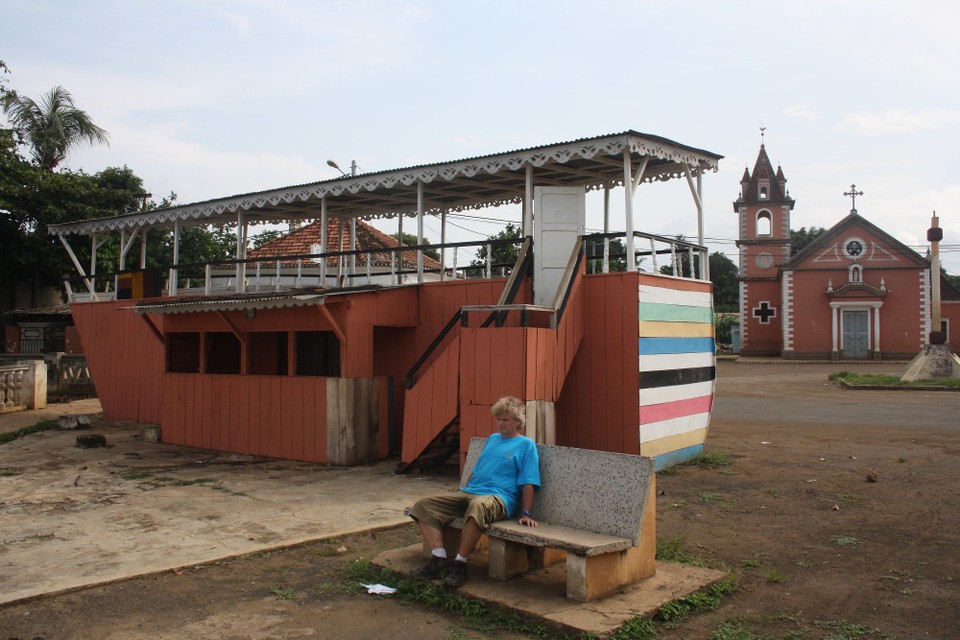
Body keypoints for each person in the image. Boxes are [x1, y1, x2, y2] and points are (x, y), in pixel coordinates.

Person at [408, 395, 540, 588]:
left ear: (517, 422)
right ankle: (439, 558)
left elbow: (529, 481)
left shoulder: (526, 445)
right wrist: (462, 491)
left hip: (499, 497)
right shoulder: (493, 439)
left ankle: (460, 564)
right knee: (423, 505)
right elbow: (478, 469)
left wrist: (526, 512)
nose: (500, 424)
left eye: (505, 420)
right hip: (471, 492)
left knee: (477, 506)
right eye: (498, 419)